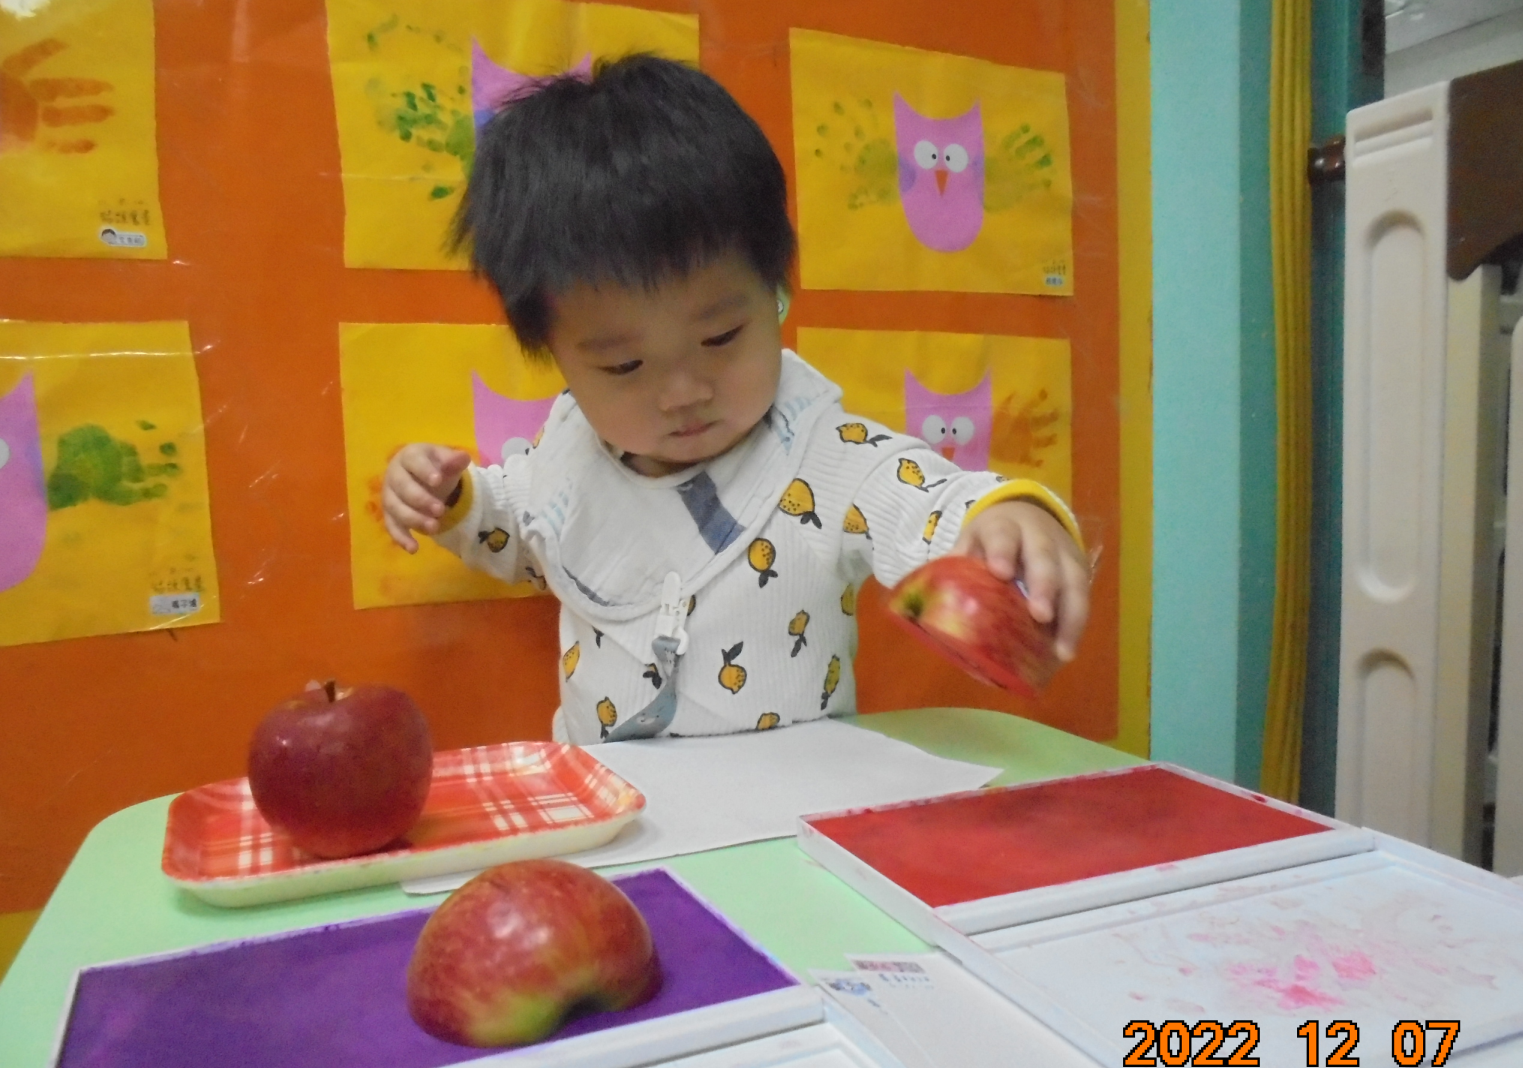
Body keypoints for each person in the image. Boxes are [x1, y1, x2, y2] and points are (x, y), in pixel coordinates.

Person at [381, 54, 1091, 745]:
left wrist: (1005, 517)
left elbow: (920, 503)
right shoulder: (567, 454)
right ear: (555, 355)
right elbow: (518, 527)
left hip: (791, 803)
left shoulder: (824, 457)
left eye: (721, 337)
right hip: (613, 802)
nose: (683, 392)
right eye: (624, 365)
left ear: (772, 291)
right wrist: (452, 500)